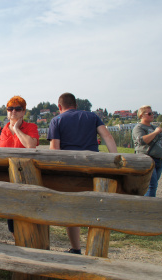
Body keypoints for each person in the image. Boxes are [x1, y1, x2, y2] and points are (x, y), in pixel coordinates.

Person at [48, 92, 117, 255]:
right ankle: (96, 248)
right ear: (76, 105)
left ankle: (76, 248)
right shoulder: (92, 116)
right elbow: (107, 136)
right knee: (95, 207)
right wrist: (115, 161)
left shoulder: (56, 120)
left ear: (59, 107)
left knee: (72, 209)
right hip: (92, 168)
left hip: (69, 171)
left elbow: (55, 150)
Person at [0, 96, 39, 235]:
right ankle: (19, 244)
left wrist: (17, 129)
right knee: (12, 219)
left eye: (18, 109)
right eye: (10, 109)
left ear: (24, 112)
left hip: (26, 177)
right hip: (7, 178)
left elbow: (31, 146)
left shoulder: (31, 127)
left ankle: (30, 244)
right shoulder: (0, 131)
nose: (13, 112)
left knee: (27, 214)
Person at [132, 105, 162, 197]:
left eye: (152, 113)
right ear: (141, 115)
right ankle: (149, 207)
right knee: (152, 185)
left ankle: (144, 204)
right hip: (148, 159)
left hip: (159, 160)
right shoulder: (139, 128)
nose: (152, 115)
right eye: (149, 113)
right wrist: (155, 133)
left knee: (150, 185)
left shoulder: (155, 127)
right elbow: (141, 140)